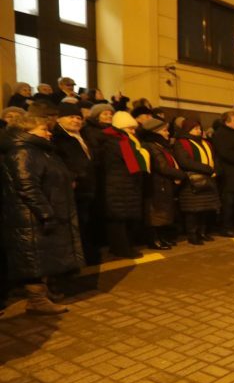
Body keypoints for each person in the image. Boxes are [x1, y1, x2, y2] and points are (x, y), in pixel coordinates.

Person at [1, 114, 84, 314]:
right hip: (31, 216)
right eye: (43, 129)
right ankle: (36, 300)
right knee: (35, 258)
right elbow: (27, 186)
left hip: (42, 212)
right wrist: (46, 213)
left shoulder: (40, 151)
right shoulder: (23, 152)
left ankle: (42, 294)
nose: (48, 133)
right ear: (26, 131)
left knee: (44, 256)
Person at [52, 102, 99, 264]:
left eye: (78, 117)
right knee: (78, 225)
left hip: (89, 187)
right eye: (71, 117)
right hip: (74, 189)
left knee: (88, 224)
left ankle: (89, 255)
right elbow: (59, 162)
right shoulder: (58, 138)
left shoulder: (83, 136)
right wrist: (74, 177)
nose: (76, 120)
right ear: (59, 119)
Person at [101, 110, 149, 259]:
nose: (133, 132)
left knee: (126, 219)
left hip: (126, 185)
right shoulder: (116, 142)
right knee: (119, 220)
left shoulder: (124, 141)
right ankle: (121, 249)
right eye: (130, 128)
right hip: (117, 185)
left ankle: (125, 247)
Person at [139, 118, 186, 250]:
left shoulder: (160, 146)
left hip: (163, 184)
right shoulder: (151, 146)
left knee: (162, 214)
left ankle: (161, 238)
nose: (167, 133)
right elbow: (162, 167)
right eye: (164, 130)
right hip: (156, 185)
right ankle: (153, 240)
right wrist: (181, 174)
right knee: (154, 214)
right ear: (155, 132)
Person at [173, 119, 220, 245]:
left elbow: (214, 158)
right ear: (187, 130)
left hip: (207, 180)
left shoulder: (206, 143)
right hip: (192, 182)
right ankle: (192, 234)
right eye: (195, 129)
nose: (199, 131)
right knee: (193, 210)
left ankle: (202, 232)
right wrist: (207, 169)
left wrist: (214, 169)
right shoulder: (181, 143)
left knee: (205, 209)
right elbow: (185, 161)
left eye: (200, 128)